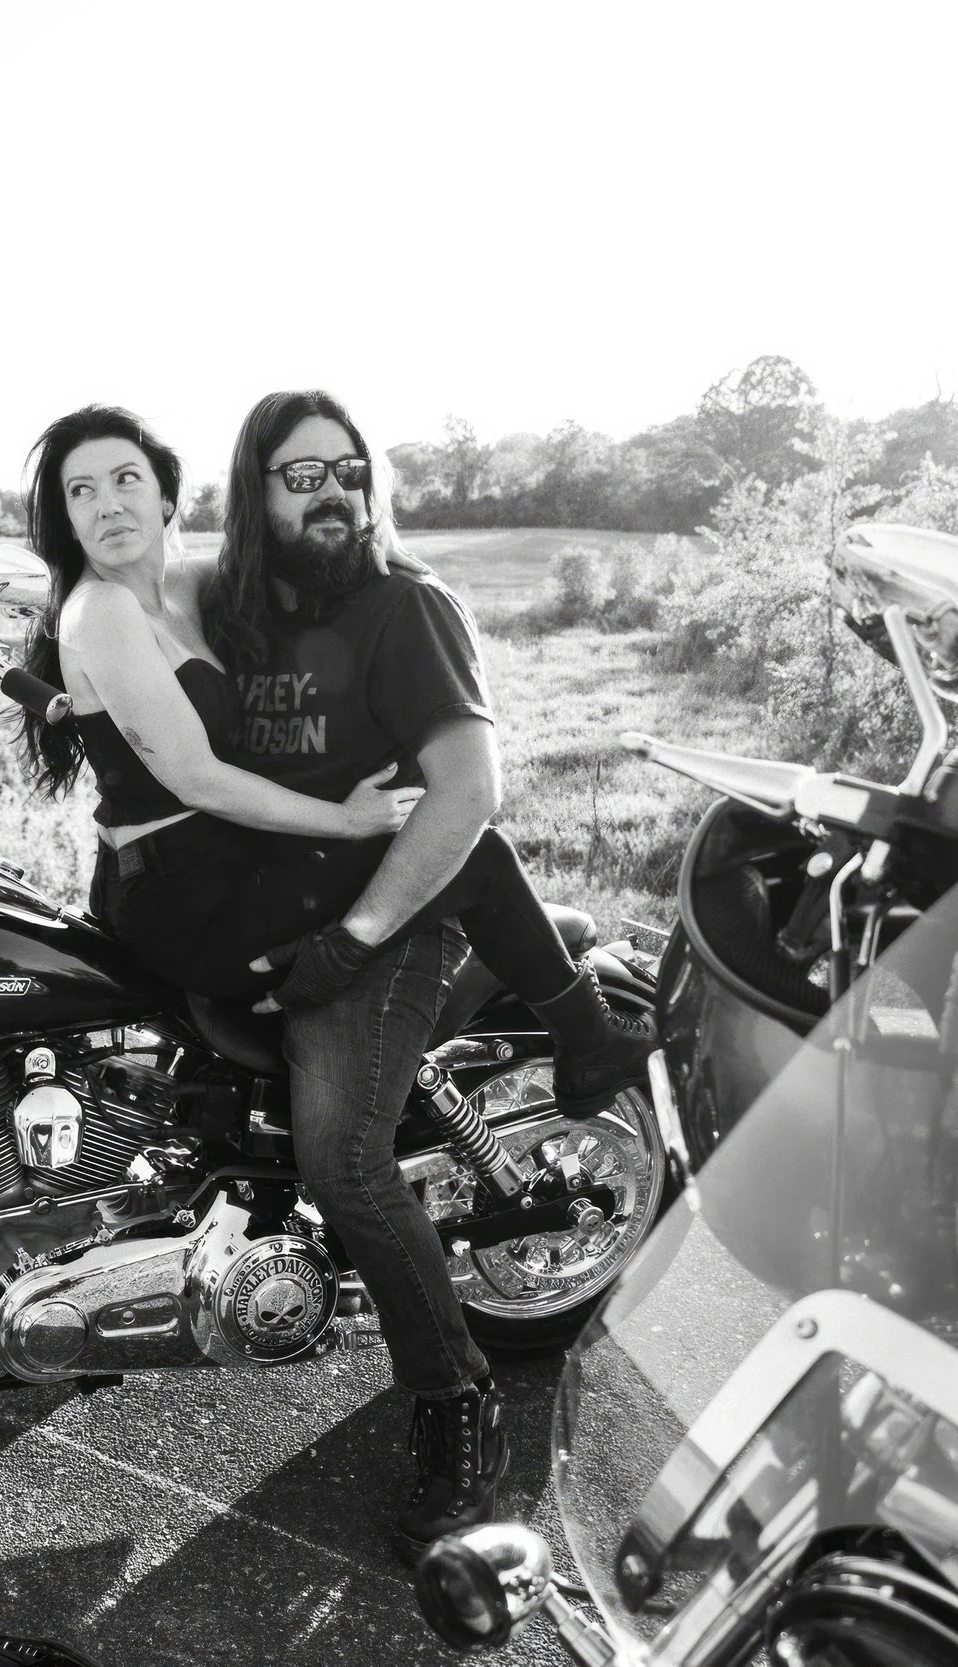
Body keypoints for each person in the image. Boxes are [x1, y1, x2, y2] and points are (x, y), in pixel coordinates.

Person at [202, 389, 654, 1560]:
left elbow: (467, 795)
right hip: (280, 924)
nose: (335, 492)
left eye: (350, 470)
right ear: (254, 490)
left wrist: (353, 939)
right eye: (302, 475)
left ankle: (460, 1406)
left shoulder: (406, 607)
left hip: (393, 927)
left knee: (343, 1156)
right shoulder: (237, 614)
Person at [9, 405, 431, 999]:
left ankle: (584, 1033)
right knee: (462, 853)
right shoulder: (100, 610)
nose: (108, 504)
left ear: (164, 497)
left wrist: (374, 533)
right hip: (178, 896)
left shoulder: (185, 587)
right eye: (83, 491)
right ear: (70, 519)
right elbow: (196, 780)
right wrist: (348, 822)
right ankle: (585, 1033)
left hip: (230, 863)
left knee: (453, 853)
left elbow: (276, 551)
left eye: (126, 478)